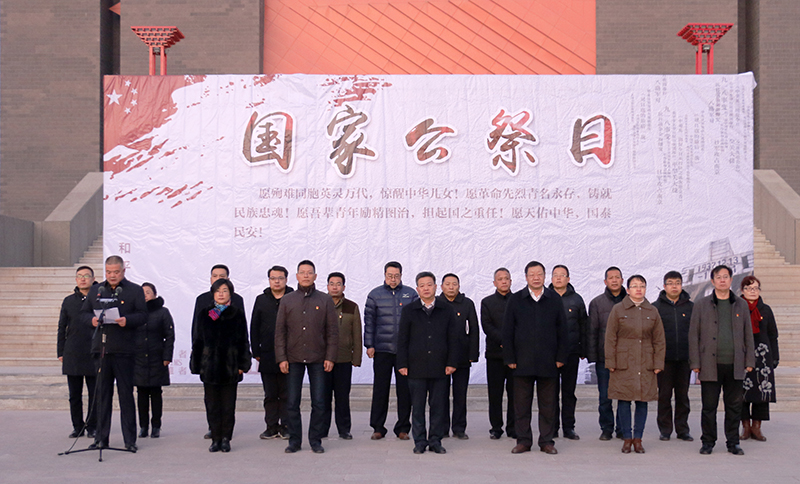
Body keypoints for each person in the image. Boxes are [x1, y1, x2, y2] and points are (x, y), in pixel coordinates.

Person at [82, 255, 148, 452]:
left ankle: (130, 440)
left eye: (116, 272)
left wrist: (127, 320)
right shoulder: (96, 290)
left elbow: (143, 315)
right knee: (102, 395)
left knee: (126, 395)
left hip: (124, 350)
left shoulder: (134, 290)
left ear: (123, 271)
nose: (112, 275)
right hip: (101, 349)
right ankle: (101, 438)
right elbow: (83, 313)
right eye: (109, 272)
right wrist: (92, 320)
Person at [689, 265, 755, 455]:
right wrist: (695, 363)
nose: (722, 280)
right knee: (709, 407)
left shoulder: (741, 305)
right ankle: (708, 442)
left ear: (731, 280)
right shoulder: (701, 304)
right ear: (713, 281)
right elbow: (693, 335)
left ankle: (733, 442)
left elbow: (748, 334)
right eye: (719, 277)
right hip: (709, 365)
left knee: (734, 406)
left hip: (735, 364)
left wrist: (749, 360)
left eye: (726, 276)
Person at [503, 261, 568, 455]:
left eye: (539, 274)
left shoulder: (554, 299)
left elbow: (563, 330)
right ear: (526, 277)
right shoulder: (516, 299)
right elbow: (507, 330)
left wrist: (561, 356)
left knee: (548, 405)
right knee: (521, 405)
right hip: (521, 361)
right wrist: (510, 357)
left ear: (545, 276)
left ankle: (546, 441)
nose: (536, 277)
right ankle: (523, 441)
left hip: (548, 361)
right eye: (532, 274)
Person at [275, 260, 338, 454]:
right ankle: (294, 441)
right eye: (302, 272)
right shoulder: (287, 300)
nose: (306, 276)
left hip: (318, 358)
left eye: (309, 272)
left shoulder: (325, 300)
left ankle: (315, 440)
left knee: (319, 402)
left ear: (315, 276)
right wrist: (281, 358)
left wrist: (330, 357)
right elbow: (280, 332)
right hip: (293, 358)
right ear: (296, 276)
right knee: (292, 402)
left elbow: (332, 332)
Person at [398, 272, 459, 454]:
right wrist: (402, 363)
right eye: (422, 285)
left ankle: (435, 441)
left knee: (438, 407)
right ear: (417, 289)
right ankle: (419, 441)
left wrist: (451, 362)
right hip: (415, 366)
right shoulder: (409, 310)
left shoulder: (446, 309)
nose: (426, 288)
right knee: (417, 407)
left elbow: (453, 338)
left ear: (436, 287)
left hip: (440, 366)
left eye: (429, 285)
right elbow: (402, 339)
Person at [605, 275, 666, 454]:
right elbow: (610, 337)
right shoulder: (618, 309)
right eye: (634, 286)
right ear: (628, 289)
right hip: (623, 362)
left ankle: (638, 438)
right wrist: (610, 361)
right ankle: (627, 438)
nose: (638, 289)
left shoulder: (652, 311)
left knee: (642, 401)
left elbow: (659, 340)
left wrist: (658, 363)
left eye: (642, 286)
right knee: (624, 400)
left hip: (645, 362)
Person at [190, 278, 252, 453]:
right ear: (213, 294)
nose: (221, 294)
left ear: (230, 293)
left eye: (225, 290)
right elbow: (198, 340)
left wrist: (242, 363)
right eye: (218, 291)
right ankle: (215, 439)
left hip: (230, 367)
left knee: (228, 406)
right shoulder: (205, 314)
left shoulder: (236, 313)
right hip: (210, 367)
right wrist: (197, 364)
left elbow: (243, 340)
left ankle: (226, 438)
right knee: (212, 405)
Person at [364, 261, 418, 441]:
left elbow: (417, 323)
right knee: (380, 390)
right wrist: (369, 345)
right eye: (390, 276)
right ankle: (378, 427)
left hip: (404, 351)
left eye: (396, 276)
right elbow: (369, 323)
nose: (393, 279)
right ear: (384, 275)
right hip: (382, 349)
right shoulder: (375, 295)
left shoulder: (411, 294)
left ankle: (403, 428)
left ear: (401, 276)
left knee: (405, 391)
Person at [250, 265, 294, 440]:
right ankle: (271, 426)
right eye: (273, 278)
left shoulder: (293, 298)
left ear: (286, 280)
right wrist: (256, 350)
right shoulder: (261, 299)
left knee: (286, 393)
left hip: (289, 354)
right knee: (270, 394)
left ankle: (286, 426)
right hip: (267, 354)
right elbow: (254, 326)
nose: (277, 281)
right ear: (269, 280)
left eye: (280, 278)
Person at [652, 270, 694, 442]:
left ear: (682, 285)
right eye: (670, 283)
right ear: (664, 286)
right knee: (664, 396)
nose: (674, 286)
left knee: (683, 396)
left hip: (685, 359)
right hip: (664, 360)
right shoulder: (656, 308)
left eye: (677, 283)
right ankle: (665, 430)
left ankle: (682, 430)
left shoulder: (691, 307)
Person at [57, 265, 98, 439]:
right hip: (73, 352)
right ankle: (77, 426)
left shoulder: (99, 299)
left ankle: (92, 426)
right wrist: (61, 351)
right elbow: (62, 327)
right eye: (79, 276)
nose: (83, 279)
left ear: (93, 279)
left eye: (86, 276)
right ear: (76, 279)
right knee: (74, 394)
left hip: (94, 351)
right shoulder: (68, 301)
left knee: (94, 393)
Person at [437, 273, 479, 440]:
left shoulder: (467, 303)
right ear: (441, 287)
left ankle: (459, 428)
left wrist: (473, 354)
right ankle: (442, 428)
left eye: (454, 284)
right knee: (441, 394)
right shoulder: (437, 303)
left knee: (460, 394)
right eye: (447, 284)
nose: (451, 287)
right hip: (441, 356)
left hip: (462, 356)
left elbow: (474, 329)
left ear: (459, 286)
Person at [548, 264, 587, 440]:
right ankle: (552, 427)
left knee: (569, 392)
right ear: (551, 279)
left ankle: (569, 427)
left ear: (568, 279)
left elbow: (583, 326)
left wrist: (583, 349)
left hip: (571, 352)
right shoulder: (545, 297)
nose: (558, 278)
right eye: (555, 275)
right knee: (550, 392)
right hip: (549, 354)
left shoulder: (577, 300)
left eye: (562, 275)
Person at [588, 266, 627, 440]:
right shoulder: (597, 303)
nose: (614, 280)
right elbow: (592, 331)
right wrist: (593, 356)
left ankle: (622, 428)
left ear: (622, 280)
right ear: (605, 281)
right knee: (605, 396)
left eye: (617, 277)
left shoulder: (631, 301)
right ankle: (606, 428)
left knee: (623, 395)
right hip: (604, 357)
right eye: (611, 278)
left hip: (626, 357)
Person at [322, 272, 362, 440]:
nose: (335, 287)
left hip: (344, 359)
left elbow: (357, 334)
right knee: (323, 397)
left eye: (338, 284)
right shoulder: (320, 304)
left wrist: (356, 357)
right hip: (323, 360)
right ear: (327, 286)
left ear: (343, 287)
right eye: (332, 283)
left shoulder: (351, 306)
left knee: (342, 397)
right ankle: (321, 429)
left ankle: (344, 429)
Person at [739, 275, 779, 442]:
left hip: (763, 357)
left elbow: (772, 335)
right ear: (742, 290)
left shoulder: (766, 309)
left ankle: (757, 427)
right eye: (749, 288)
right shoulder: (737, 308)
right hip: (742, 355)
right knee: (742, 392)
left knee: (762, 392)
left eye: (756, 288)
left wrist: (775, 357)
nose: (752, 291)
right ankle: (746, 426)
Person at [134, 282, 175, 439]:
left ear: (155, 295)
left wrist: (167, 357)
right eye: (142, 292)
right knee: (141, 393)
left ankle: (156, 425)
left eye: (148, 292)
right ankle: (143, 426)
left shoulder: (162, 312)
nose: (145, 295)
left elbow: (169, 336)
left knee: (156, 393)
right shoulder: (135, 312)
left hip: (157, 357)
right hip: (138, 358)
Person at [480, 267, 516, 440]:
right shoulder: (487, 302)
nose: (503, 281)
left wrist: (511, 343)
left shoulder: (518, 301)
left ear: (511, 281)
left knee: (515, 394)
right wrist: (503, 340)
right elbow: (487, 326)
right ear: (494, 283)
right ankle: (496, 427)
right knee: (495, 393)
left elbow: (522, 325)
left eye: (506, 278)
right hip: (495, 354)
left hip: (515, 355)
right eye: (500, 279)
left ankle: (513, 427)